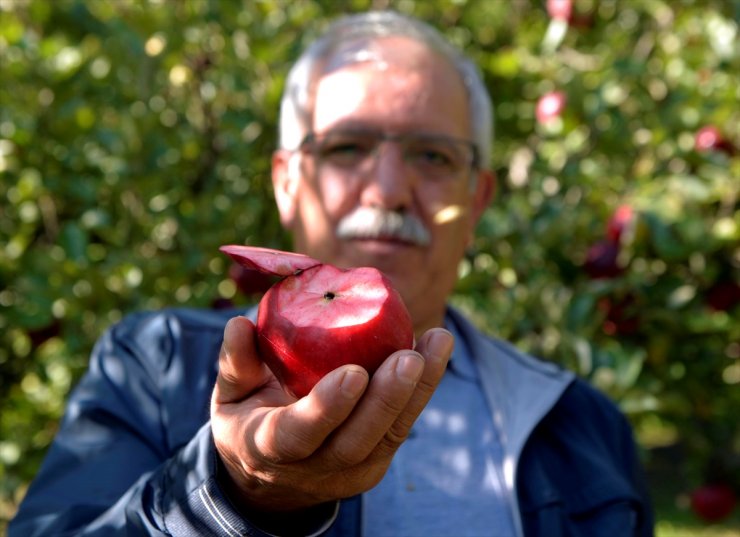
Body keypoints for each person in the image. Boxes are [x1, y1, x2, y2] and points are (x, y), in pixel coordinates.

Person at [9, 10, 653, 537]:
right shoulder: (153, 367)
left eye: (432, 155)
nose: (389, 190)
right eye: (347, 148)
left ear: (478, 199)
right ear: (287, 184)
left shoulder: (584, 426)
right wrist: (229, 497)